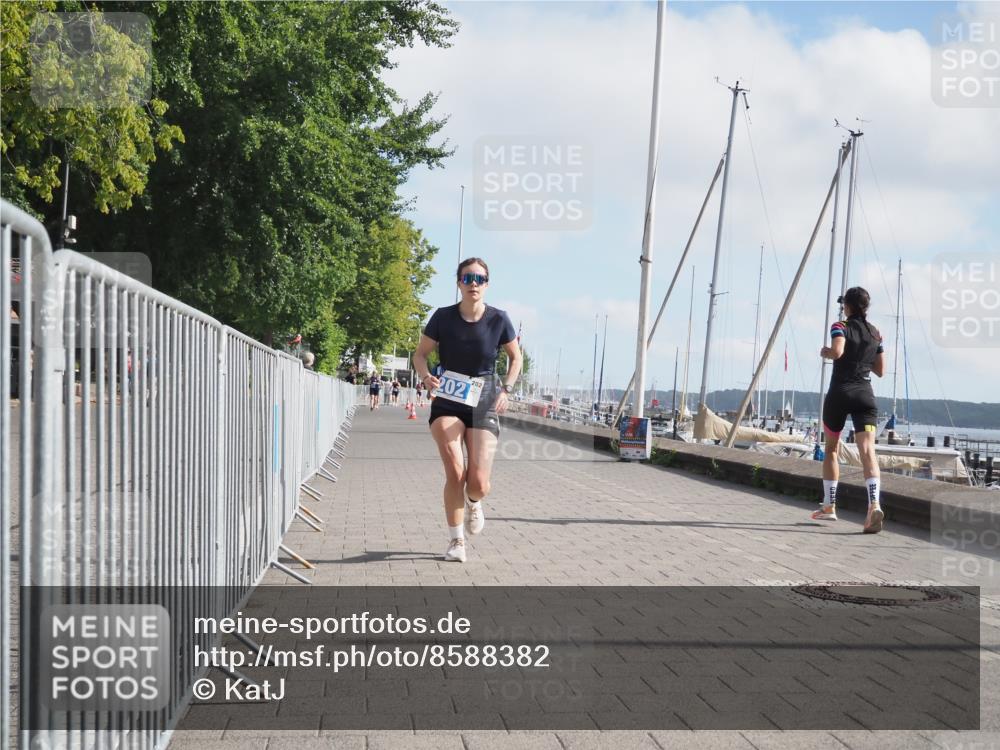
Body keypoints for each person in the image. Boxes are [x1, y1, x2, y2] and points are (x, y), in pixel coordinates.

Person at [413, 258, 522, 563]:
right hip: (448, 398)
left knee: (478, 483)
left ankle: (474, 501)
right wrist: (426, 377)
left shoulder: (499, 319)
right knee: (455, 471)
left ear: (487, 283)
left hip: (484, 400)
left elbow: (516, 358)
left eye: (479, 278)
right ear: (458, 282)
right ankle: (456, 540)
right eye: (467, 278)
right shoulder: (442, 317)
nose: (474, 283)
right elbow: (420, 355)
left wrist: (506, 389)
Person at [813, 286, 886, 533]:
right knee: (868, 451)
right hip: (865, 395)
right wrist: (862, 358)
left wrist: (826, 352)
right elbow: (880, 370)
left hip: (840, 393)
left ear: (847, 306)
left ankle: (829, 506)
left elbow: (837, 351)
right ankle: (874, 504)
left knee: (831, 449)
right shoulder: (876, 333)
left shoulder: (840, 326)